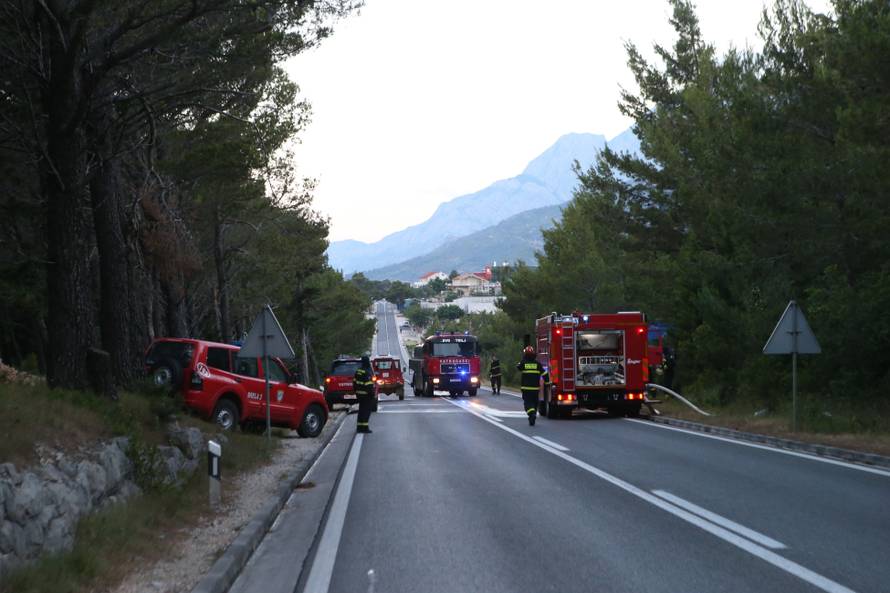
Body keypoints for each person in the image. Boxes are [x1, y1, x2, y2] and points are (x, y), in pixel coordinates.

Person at [516, 346, 549, 426]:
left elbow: (518, 367)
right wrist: (547, 383)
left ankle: (532, 414)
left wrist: (522, 360)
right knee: (534, 403)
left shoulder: (523, 363)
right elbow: (545, 374)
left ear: (525, 354)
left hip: (526, 389)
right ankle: (533, 413)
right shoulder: (537, 364)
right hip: (535, 389)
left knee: (527, 404)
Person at [354, 354, 375, 434]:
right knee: (366, 411)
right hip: (366, 395)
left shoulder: (358, 371)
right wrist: (372, 394)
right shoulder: (367, 371)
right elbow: (369, 385)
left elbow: (354, 383)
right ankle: (365, 428)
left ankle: (359, 427)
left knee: (361, 410)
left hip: (359, 395)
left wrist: (356, 392)